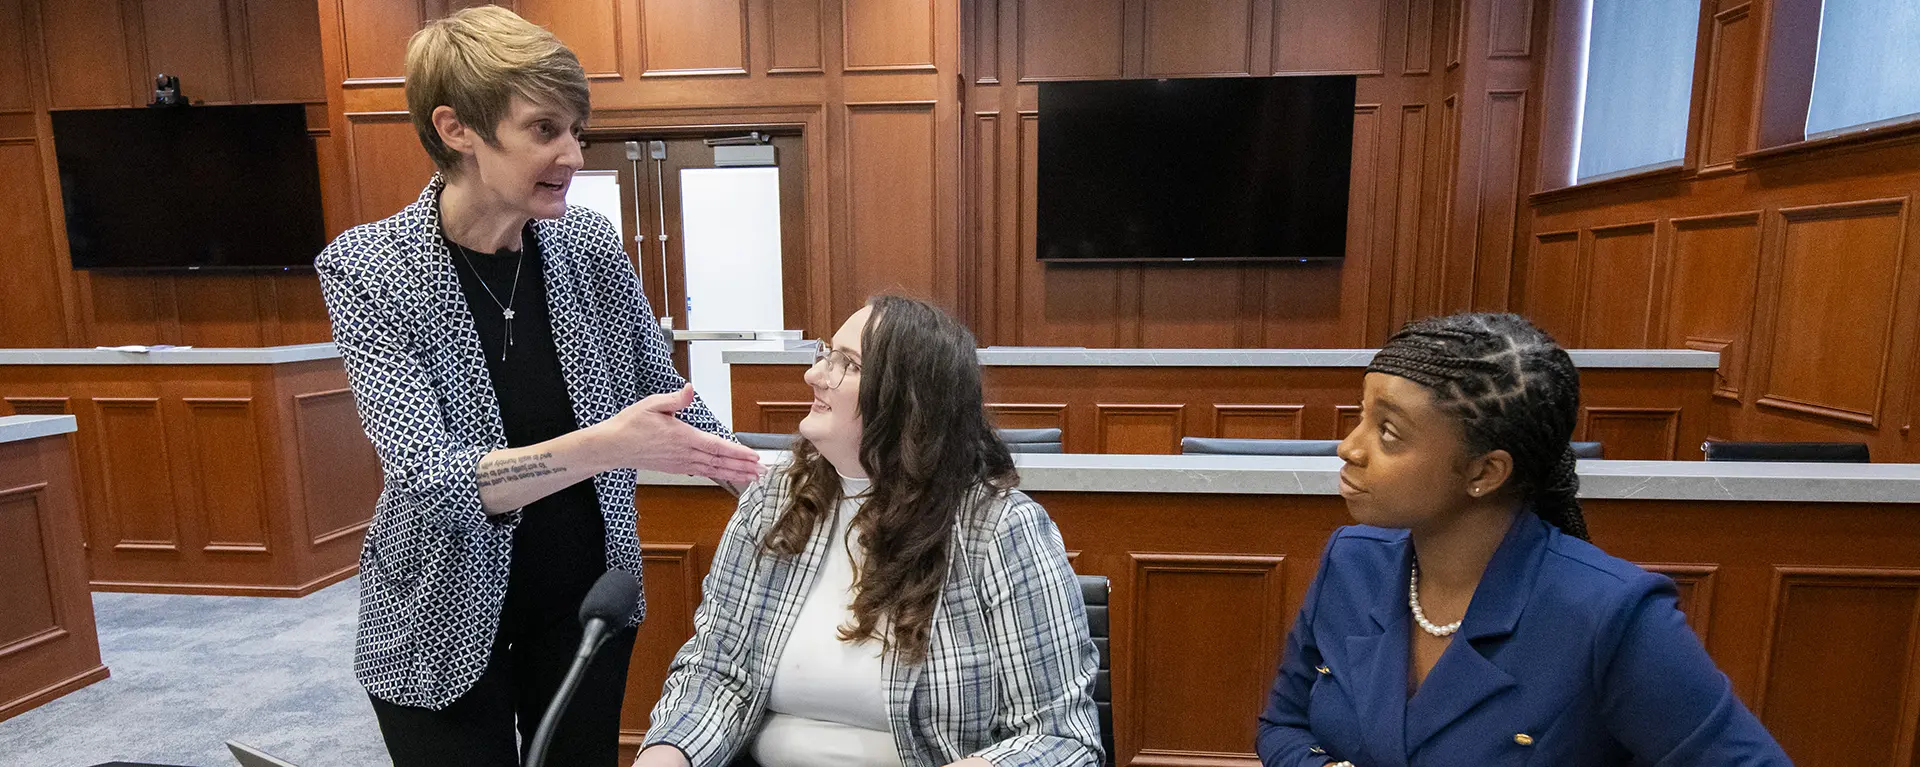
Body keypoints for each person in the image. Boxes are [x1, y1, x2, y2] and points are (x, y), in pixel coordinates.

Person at [313, 7, 760, 766]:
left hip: (583, 610)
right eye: (545, 130)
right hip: (434, 618)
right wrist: (608, 443)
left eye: (577, 131)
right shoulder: (367, 268)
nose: (573, 154)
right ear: (457, 129)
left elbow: (668, 394)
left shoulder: (586, 246)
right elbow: (430, 479)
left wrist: (771, 484)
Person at [1255, 313, 1790, 767]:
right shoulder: (1351, 560)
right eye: (1361, 418)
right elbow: (1283, 723)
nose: (1349, 447)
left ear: (1485, 472)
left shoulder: (1609, 613)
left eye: (1388, 433)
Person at [634, 296, 1104, 767]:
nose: (814, 375)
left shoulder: (999, 529)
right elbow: (715, 675)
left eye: (848, 364)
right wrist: (667, 755)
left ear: (908, 399)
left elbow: (1061, 737)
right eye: (825, 353)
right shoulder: (772, 502)